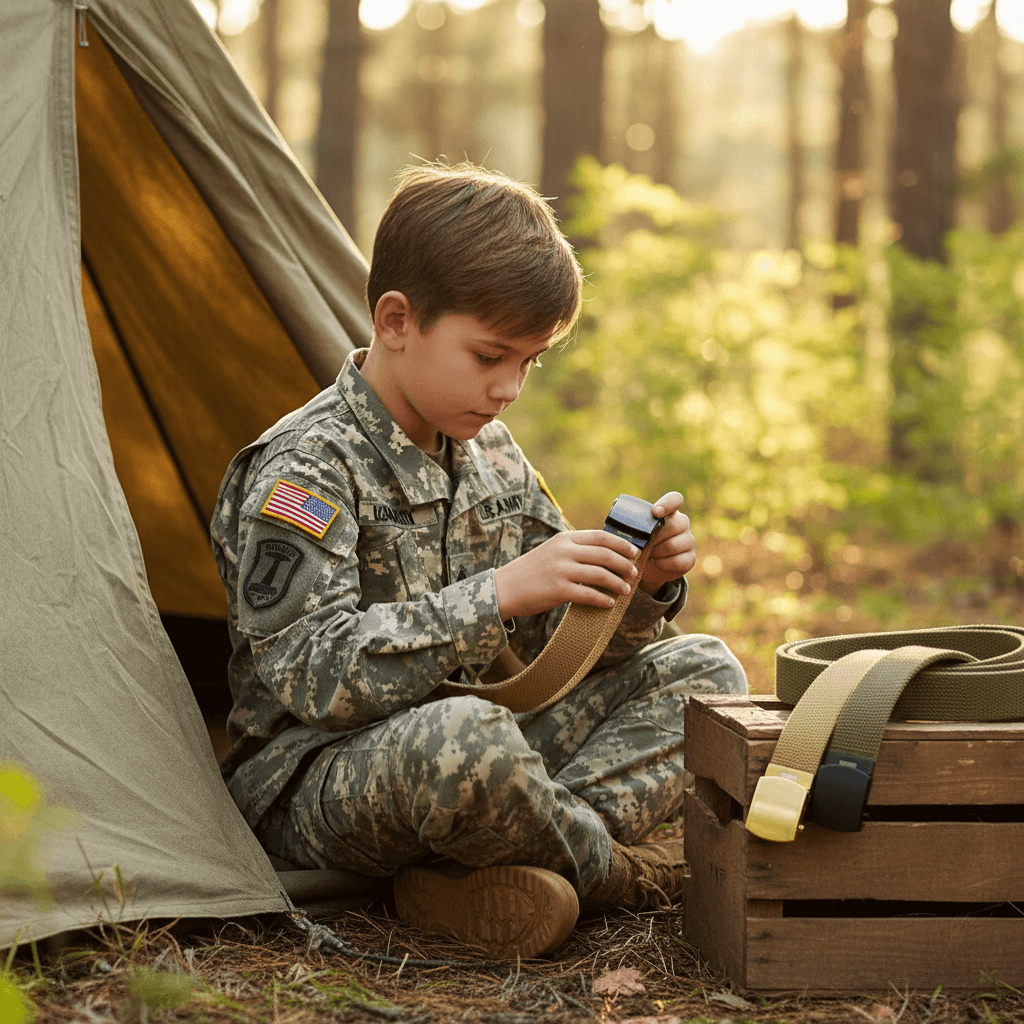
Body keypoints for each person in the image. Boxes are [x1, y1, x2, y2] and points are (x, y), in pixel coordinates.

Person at [211, 162, 747, 959]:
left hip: (476, 748)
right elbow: (311, 676)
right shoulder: (307, 468)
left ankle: (489, 871)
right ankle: (622, 878)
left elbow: (545, 659)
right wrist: (494, 595)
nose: (510, 389)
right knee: (468, 738)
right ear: (397, 321)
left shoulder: (486, 449)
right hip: (314, 777)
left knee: (704, 673)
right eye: (491, 355)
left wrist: (640, 590)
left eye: (531, 362)